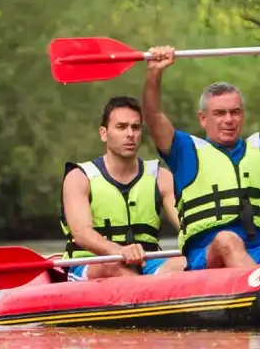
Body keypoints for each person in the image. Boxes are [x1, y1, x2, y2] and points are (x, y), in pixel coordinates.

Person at [140, 38, 260, 271]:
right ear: (203, 118)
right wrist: (155, 73)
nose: (228, 120)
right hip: (210, 254)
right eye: (219, 113)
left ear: (242, 115)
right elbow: (153, 116)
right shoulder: (184, 150)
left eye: (235, 112)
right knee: (228, 240)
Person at [60, 96, 188, 281]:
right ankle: (147, 298)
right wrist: (119, 251)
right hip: (94, 263)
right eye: (121, 127)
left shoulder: (161, 177)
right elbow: (82, 235)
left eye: (135, 127)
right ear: (104, 133)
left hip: (147, 261)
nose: (130, 134)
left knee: (187, 263)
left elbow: (186, 225)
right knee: (111, 266)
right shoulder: (79, 177)